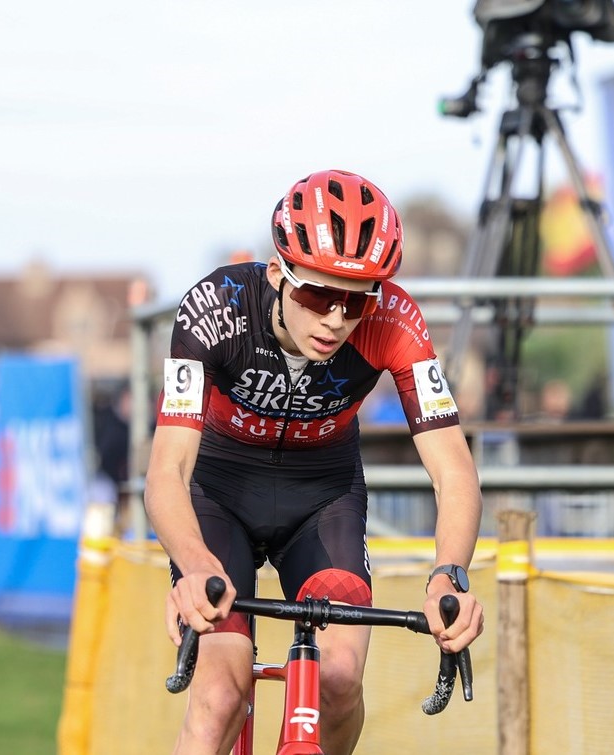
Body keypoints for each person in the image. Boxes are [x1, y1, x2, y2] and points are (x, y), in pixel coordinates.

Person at [146, 169, 484, 754]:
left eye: (357, 300)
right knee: (220, 696)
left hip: (321, 498)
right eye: (318, 294)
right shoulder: (212, 309)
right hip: (219, 493)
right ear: (277, 274)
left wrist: (448, 574)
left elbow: (453, 471)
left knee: (339, 677)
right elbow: (167, 472)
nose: (336, 318)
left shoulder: (397, 322)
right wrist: (195, 564)